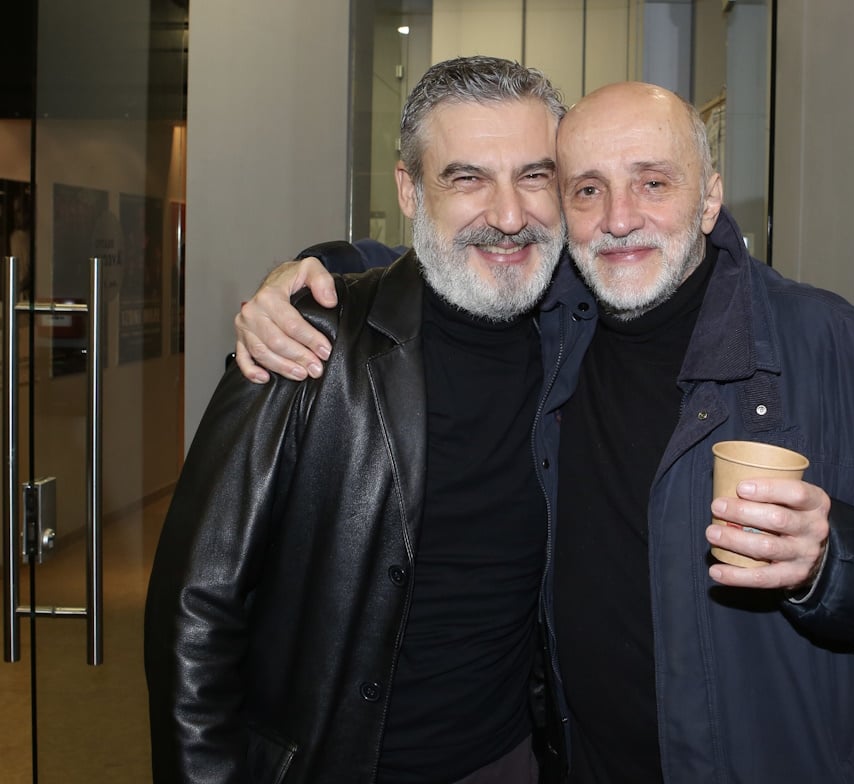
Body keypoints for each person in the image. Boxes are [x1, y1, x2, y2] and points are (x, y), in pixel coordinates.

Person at [236, 82, 854, 783]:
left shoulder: (835, 350)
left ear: (709, 197)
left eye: (653, 183)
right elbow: (453, 256)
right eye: (587, 190)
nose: (619, 219)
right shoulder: (555, 323)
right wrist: (318, 274)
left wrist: (831, 559)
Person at [144, 56, 568, 784]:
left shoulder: (576, 343)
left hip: (510, 761)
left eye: (534, 176)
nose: (508, 216)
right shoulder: (309, 340)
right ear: (409, 189)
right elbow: (196, 607)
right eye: (467, 178)